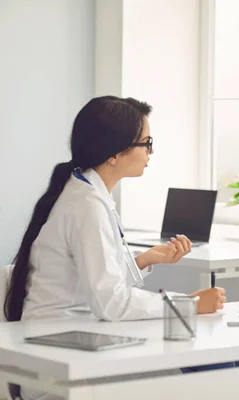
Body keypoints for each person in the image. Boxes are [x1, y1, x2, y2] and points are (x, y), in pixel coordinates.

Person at [4, 96, 226, 324]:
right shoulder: (86, 205)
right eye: (147, 143)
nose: (150, 152)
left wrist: (144, 260)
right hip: (55, 335)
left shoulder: (87, 192)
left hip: (69, 328)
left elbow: (95, 282)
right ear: (114, 154)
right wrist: (189, 305)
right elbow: (111, 303)